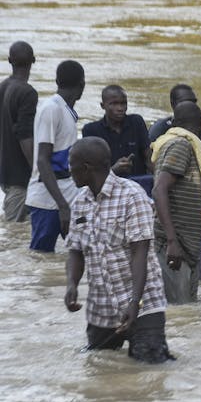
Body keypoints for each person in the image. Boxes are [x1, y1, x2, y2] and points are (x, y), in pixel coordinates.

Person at [64, 137, 172, 363]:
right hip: (101, 307)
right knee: (99, 368)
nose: (68, 169)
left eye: (71, 164)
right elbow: (75, 250)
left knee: (151, 372)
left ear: (85, 168)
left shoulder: (132, 196)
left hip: (143, 305)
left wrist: (135, 302)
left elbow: (139, 253)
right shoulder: (79, 203)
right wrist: (71, 284)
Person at [151, 101, 201, 303]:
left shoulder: (177, 145)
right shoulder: (182, 146)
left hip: (185, 246)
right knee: (179, 312)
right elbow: (159, 190)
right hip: (174, 247)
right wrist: (171, 242)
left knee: (188, 312)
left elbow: (189, 214)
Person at [25, 59, 85, 252]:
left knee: (82, 250)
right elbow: (43, 160)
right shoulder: (51, 109)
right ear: (82, 85)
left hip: (68, 196)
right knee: (41, 256)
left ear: (57, 80)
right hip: (47, 202)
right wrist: (62, 206)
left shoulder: (66, 110)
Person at [0, 41, 37, 221]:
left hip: (6, 170)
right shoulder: (28, 93)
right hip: (20, 176)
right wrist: (37, 169)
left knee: (18, 229)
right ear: (34, 60)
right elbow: (24, 135)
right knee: (15, 227)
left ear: (9, 61)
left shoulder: (4, 86)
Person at [82, 85, 151, 178]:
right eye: (114, 104)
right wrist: (114, 170)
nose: (120, 108)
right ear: (103, 106)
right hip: (107, 184)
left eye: (123, 103)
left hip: (138, 183)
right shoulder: (91, 130)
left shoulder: (136, 122)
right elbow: (91, 170)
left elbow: (148, 156)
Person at [148, 84, 201, 148]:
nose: (190, 104)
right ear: (173, 104)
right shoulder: (159, 129)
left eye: (193, 102)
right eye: (185, 101)